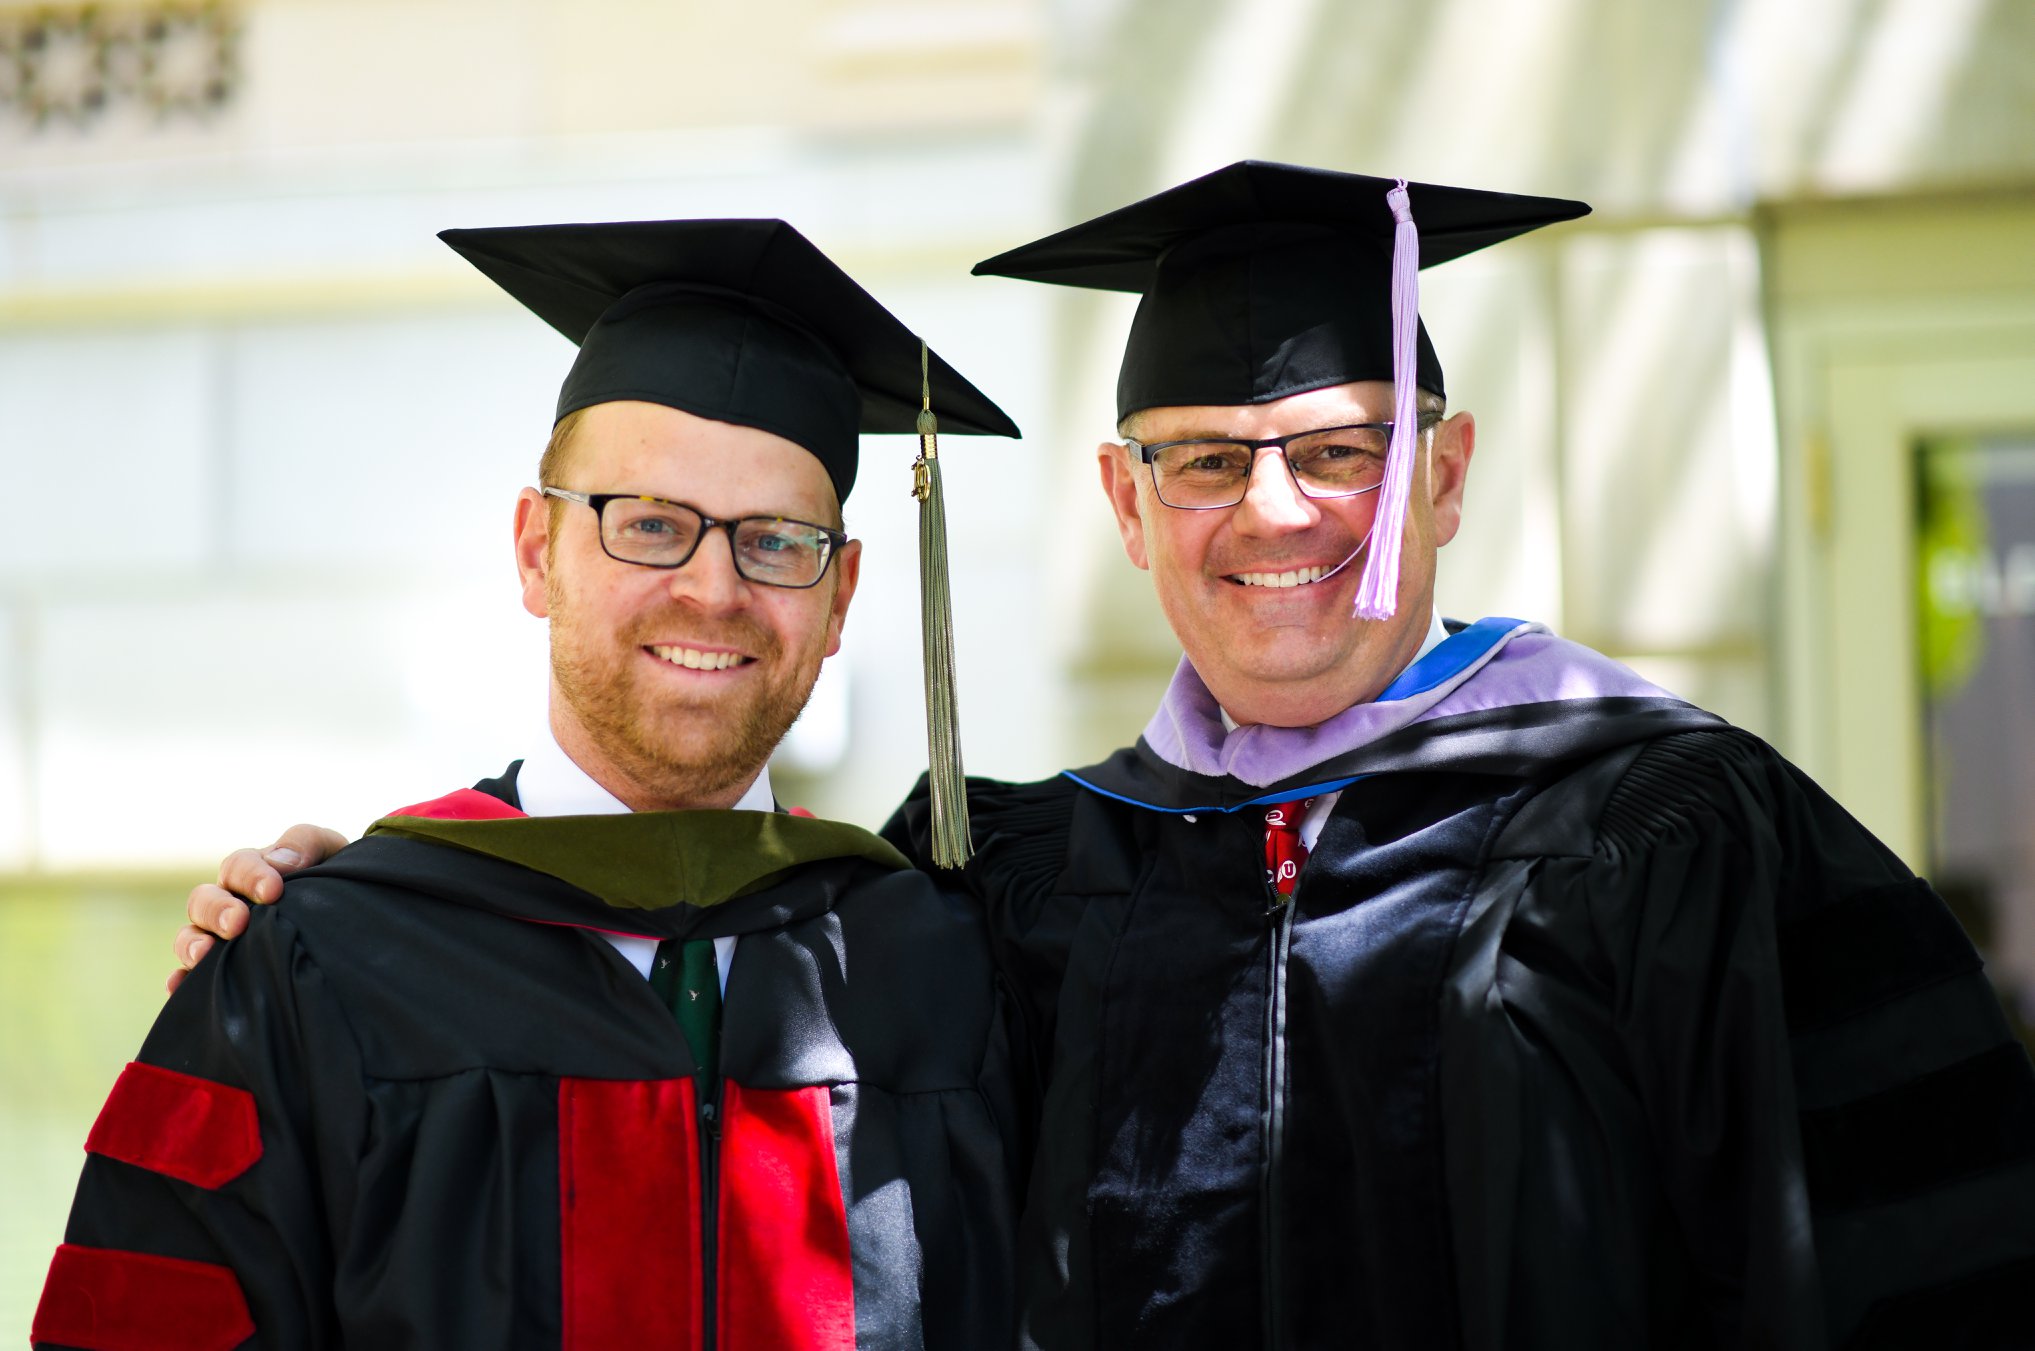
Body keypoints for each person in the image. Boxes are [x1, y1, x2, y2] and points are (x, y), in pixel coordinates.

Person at [176, 165, 2035, 1350]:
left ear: (1447, 477)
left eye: (1342, 448)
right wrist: (375, 898)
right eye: (1205, 457)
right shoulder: (1013, 876)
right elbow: (686, 1050)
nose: (1275, 509)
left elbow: (1909, 1261)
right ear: (1128, 506)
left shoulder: (1672, 832)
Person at [37, 218, 1025, 1351]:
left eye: (774, 541)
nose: (712, 588)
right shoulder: (320, 969)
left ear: (839, 596)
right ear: (533, 551)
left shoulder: (944, 970)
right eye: (648, 525)